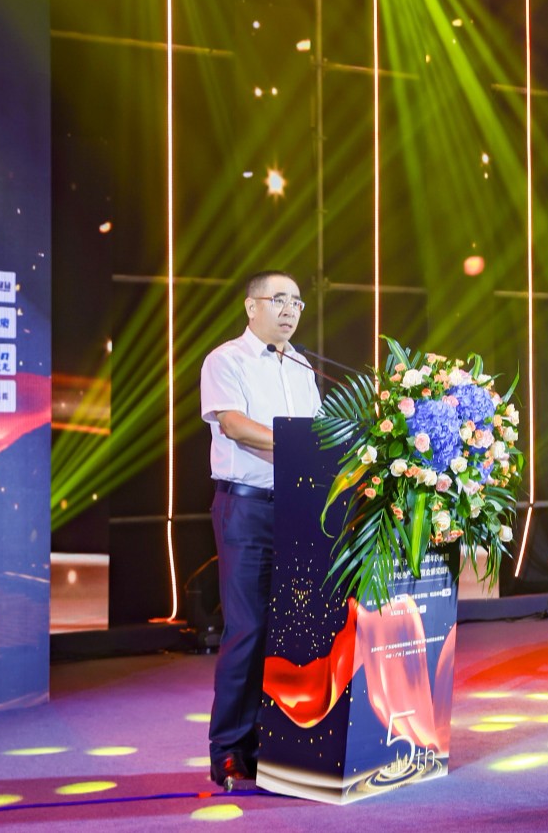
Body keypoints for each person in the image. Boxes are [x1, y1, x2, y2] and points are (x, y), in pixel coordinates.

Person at [199, 270, 320, 787]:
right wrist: (299, 445)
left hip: (297, 508)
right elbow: (233, 425)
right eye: (279, 299)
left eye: (297, 302)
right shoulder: (226, 360)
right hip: (245, 509)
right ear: (252, 307)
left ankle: (275, 741)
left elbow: (318, 432)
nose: (290, 310)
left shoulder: (302, 366)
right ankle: (229, 749)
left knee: (290, 630)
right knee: (246, 629)